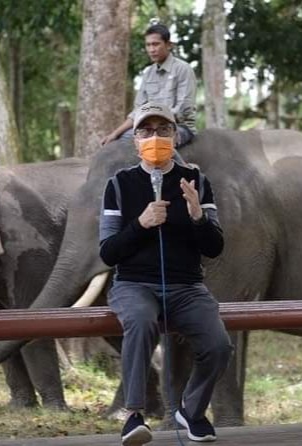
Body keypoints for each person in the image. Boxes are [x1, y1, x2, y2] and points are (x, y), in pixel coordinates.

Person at [99, 102, 232, 445]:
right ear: (134, 139)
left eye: (163, 130)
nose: (154, 137)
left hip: (187, 287)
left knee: (219, 345)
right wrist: (140, 225)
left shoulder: (197, 182)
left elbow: (214, 247)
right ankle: (133, 415)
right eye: (145, 131)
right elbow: (108, 251)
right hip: (133, 285)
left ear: (175, 136)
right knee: (141, 321)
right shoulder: (119, 184)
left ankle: (191, 410)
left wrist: (197, 216)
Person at [101, 23, 197, 149]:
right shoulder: (148, 74)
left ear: (168, 45)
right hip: (150, 128)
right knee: (120, 141)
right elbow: (138, 111)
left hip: (179, 127)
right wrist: (115, 134)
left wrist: (155, 124)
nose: (152, 49)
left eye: (156, 44)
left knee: (157, 141)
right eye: (148, 45)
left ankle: (183, 168)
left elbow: (183, 110)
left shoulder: (183, 69)